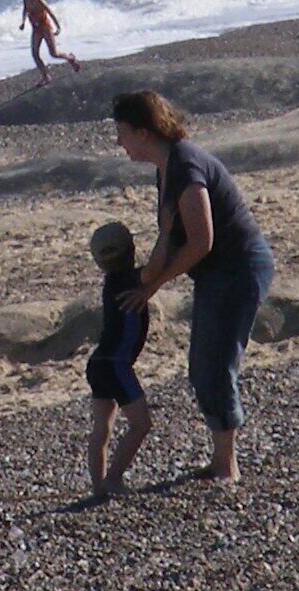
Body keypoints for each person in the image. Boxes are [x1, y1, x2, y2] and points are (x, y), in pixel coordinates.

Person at [111, 90, 275, 485]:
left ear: (144, 132)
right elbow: (171, 235)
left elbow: (203, 241)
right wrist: (147, 281)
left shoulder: (185, 165)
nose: (119, 143)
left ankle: (227, 467)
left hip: (238, 269)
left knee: (215, 366)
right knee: (202, 367)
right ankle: (220, 460)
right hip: (218, 273)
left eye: (122, 134)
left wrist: (157, 282)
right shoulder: (167, 167)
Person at [82, 220, 152, 499]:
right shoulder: (137, 280)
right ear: (132, 250)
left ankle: (98, 487)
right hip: (116, 364)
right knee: (141, 424)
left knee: (103, 427)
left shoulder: (111, 283)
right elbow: (165, 258)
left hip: (98, 362)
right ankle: (113, 479)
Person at [21, 0, 82, 80]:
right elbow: (25, 10)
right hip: (36, 29)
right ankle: (46, 76)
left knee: (53, 53)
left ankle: (71, 58)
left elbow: (50, 13)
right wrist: (23, 21)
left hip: (45, 28)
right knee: (35, 54)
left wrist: (57, 27)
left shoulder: (39, 1)